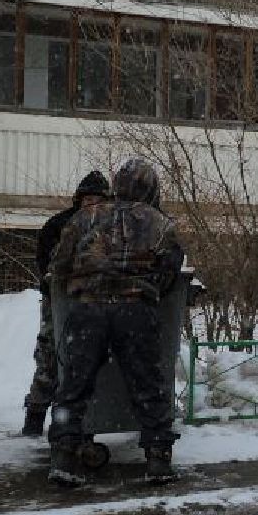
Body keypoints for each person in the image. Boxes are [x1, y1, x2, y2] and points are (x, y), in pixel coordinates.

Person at [47, 158, 185, 486]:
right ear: (151, 188)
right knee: (148, 383)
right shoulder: (160, 223)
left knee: (75, 384)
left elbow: (60, 264)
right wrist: (145, 288)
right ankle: (157, 460)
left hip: (87, 310)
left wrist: (84, 284)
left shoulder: (85, 218)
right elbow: (170, 270)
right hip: (136, 310)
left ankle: (65, 457)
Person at [21, 170, 110, 436]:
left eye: (98, 199)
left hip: (96, 303)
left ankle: (79, 423)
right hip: (59, 303)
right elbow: (47, 266)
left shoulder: (113, 225)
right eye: (88, 198)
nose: (92, 204)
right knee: (50, 357)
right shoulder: (60, 224)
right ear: (79, 199)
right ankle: (35, 418)